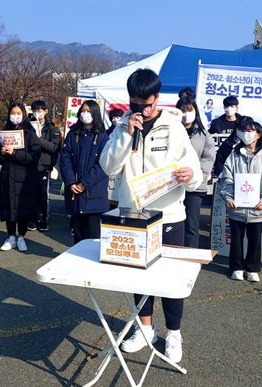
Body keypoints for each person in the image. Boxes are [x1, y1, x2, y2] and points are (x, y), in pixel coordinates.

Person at [100, 69, 202, 364]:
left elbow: (193, 171)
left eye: (145, 103)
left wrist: (190, 175)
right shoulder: (121, 127)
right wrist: (126, 135)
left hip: (169, 214)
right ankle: (145, 329)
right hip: (132, 214)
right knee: (138, 277)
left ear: (156, 99)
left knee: (170, 279)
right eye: (134, 103)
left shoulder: (174, 127)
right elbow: (108, 167)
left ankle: (173, 333)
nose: (140, 109)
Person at [220, 118, 262, 282]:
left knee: (255, 240)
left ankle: (252, 268)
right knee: (236, 240)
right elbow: (227, 178)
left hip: (258, 208)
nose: (247, 134)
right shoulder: (234, 155)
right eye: (244, 131)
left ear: (259, 135)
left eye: (250, 131)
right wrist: (229, 197)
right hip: (236, 208)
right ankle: (236, 267)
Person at [59, 100, 109, 244]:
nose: (84, 114)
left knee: (94, 237)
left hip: (94, 194)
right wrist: (70, 182)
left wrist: (84, 184)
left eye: (88, 111)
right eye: (82, 110)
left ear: (95, 113)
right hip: (75, 193)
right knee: (78, 235)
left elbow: (103, 165)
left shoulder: (102, 137)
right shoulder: (73, 133)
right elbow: (65, 157)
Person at [0, 103, 41, 252]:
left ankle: (21, 236)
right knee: (9, 206)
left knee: (22, 207)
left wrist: (15, 153)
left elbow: (34, 156)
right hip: (8, 175)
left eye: (18, 113)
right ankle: (10, 237)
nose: (15, 116)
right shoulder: (4, 132)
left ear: (24, 115)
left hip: (25, 177)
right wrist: (1, 152)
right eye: (13, 113)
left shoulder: (30, 133)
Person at [176, 96, 216, 248]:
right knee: (172, 222)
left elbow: (208, 158)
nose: (185, 114)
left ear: (196, 112)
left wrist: (194, 175)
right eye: (182, 110)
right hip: (172, 184)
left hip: (195, 187)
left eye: (189, 110)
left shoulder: (204, 135)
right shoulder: (171, 131)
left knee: (191, 225)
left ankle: (190, 255)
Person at [28, 100, 61, 232]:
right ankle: (33, 219)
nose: (38, 113)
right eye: (35, 110)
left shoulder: (52, 128)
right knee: (31, 193)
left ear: (46, 111)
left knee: (43, 194)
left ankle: (44, 219)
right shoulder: (28, 125)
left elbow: (54, 147)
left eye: (40, 110)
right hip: (29, 164)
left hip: (44, 165)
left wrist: (38, 139)